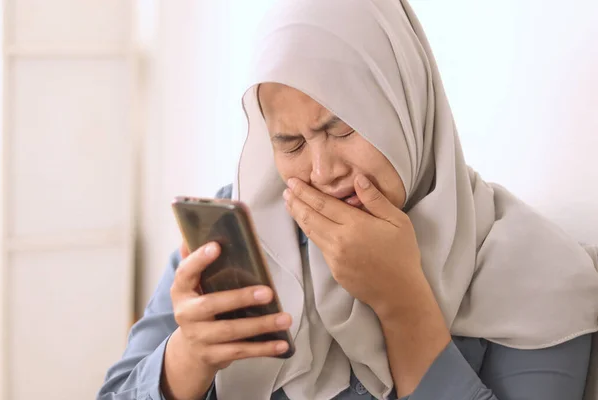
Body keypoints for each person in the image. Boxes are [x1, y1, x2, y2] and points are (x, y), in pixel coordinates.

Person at [98, 0, 598, 399]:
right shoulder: (246, 230)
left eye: (342, 129)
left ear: (406, 106)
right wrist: (189, 356)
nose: (323, 172)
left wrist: (402, 302)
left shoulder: (538, 273)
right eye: (289, 143)